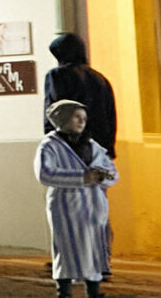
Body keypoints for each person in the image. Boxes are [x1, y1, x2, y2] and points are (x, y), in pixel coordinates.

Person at [38, 97, 119, 298]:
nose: (82, 121)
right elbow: (45, 174)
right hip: (66, 204)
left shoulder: (93, 146)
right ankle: (64, 291)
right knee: (66, 249)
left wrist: (102, 177)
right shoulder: (49, 145)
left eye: (84, 117)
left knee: (93, 249)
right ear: (63, 119)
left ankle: (93, 291)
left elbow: (113, 172)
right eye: (76, 117)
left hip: (93, 205)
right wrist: (81, 178)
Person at [47, 33, 121, 158]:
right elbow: (110, 117)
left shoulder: (57, 75)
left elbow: (54, 112)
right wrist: (108, 150)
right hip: (98, 149)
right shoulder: (100, 79)